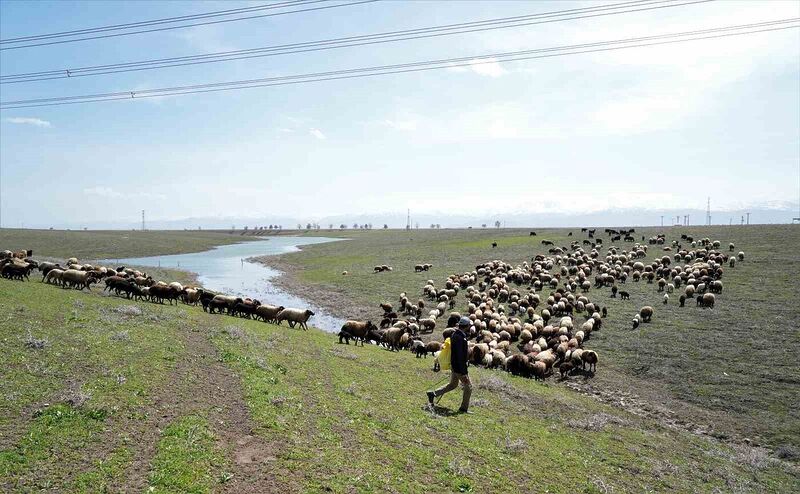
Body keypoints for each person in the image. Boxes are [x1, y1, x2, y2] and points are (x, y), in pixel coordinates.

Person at [427, 317, 472, 413]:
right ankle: (463, 408)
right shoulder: (461, 338)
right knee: (468, 387)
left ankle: (433, 393)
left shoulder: (455, 334)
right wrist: (464, 372)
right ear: (467, 326)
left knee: (453, 384)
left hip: (454, 365)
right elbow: (460, 356)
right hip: (459, 367)